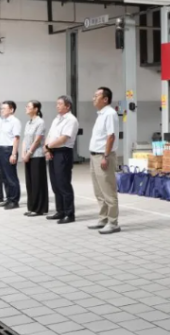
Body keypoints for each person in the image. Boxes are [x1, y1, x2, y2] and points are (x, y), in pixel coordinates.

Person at [88, 87, 121, 234]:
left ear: (105, 99)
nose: (93, 98)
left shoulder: (110, 114)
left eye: (96, 96)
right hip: (95, 156)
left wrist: (105, 156)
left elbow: (111, 136)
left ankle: (113, 222)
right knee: (99, 191)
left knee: (108, 190)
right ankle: (103, 218)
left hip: (103, 156)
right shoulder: (101, 114)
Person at [44, 95, 80, 224]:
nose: (57, 106)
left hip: (63, 152)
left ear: (68, 106)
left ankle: (69, 214)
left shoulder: (71, 120)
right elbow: (50, 135)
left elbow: (63, 138)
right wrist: (48, 149)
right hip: (53, 151)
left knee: (63, 183)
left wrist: (48, 147)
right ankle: (60, 211)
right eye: (57, 104)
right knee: (55, 184)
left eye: (60, 104)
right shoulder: (56, 119)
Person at [22, 101, 48, 217]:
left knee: (38, 182)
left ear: (36, 109)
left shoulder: (40, 122)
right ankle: (32, 207)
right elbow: (25, 139)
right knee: (30, 182)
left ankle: (39, 209)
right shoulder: (28, 123)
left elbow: (37, 140)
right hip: (28, 155)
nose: (26, 108)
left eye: (29, 106)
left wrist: (29, 153)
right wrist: (23, 152)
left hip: (37, 155)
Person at [0, 101, 22, 210]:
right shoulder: (3, 121)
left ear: (11, 110)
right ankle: (9, 198)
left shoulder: (15, 121)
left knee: (11, 177)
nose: (1, 110)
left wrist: (13, 154)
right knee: (4, 177)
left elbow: (16, 138)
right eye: (1, 108)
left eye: (4, 108)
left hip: (9, 150)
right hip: (1, 149)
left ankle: (14, 201)